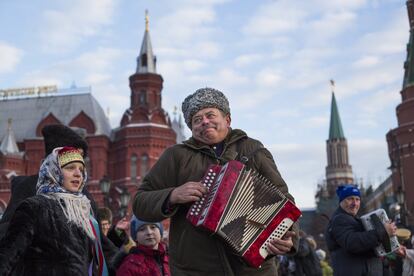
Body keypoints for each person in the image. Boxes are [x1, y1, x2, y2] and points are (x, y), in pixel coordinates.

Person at [134, 87, 299, 275]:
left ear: (227, 119)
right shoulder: (176, 156)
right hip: (196, 270)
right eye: (197, 120)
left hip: (252, 270)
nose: (204, 122)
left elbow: (284, 201)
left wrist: (289, 237)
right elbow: (139, 202)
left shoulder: (253, 150)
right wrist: (172, 195)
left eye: (210, 115)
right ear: (191, 128)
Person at [0, 124, 118, 275]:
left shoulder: (84, 202)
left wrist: (131, 260)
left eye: (81, 167)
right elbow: (9, 244)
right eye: (70, 166)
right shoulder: (33, 198)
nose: (78, 173)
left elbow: (101, 246)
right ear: (54, 164)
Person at [325, 184, 397, 276]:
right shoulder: (340, 219)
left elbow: (368, 246)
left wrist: (390, 241)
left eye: (357, 199)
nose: (355, 203)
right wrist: (383, 231)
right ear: (341, 201)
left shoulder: (354, 219)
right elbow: (353, 242)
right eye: (350, 199)